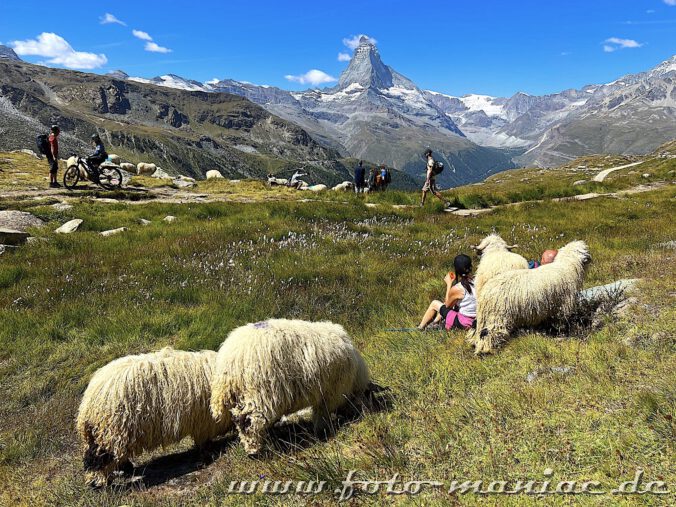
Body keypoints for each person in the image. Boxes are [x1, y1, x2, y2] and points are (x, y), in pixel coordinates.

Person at [418, 254, 477, 331]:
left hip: (464, 323)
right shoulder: (478, 281)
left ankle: (420, 328)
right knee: (450, 304)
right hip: (475, 319)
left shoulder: (458, 288)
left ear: (457, 270)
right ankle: (434, 323)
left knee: (435, 303)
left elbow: (447, 305)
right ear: (470, 267)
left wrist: (449, 284)